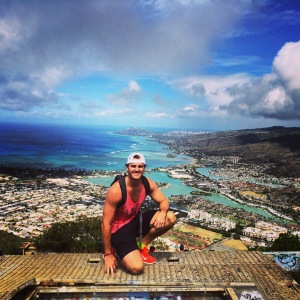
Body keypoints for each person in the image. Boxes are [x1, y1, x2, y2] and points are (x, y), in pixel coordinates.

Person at [102, 152, 176, 275]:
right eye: (133, 166)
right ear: (127, 167)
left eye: (140, 166)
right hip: (119, 231)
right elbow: (106, 223)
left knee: (170, 217)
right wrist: (108, 253)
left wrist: (163, 212)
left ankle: (141, 246)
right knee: (136, 268)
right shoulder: (117, 190)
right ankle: (117, 251)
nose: (137, 169)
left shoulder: (147, 183)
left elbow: (164, 201)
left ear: (144, 168)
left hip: (135, 223)